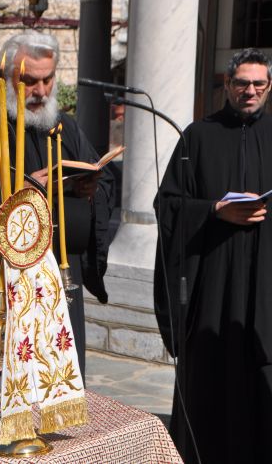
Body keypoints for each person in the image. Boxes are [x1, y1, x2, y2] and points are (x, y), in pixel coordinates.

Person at [0, 31, 115, 379]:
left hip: (54, 277)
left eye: (48, 79)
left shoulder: (64, 127)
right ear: (7, 78)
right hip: (4, 281)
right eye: (29, 81)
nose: (42, 91)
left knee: (55, 377)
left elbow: (102, 184)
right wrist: (22, 188)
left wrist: (90, 187)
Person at [154, 48, 272, 463]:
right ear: (227, 85)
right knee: (210, 376)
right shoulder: (198, 136)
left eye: (258, 83)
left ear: (269, 86)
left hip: (265, 287)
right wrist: (214, 210)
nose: (250, 91)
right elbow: (167, 204)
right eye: (242, 83)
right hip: (212, 284)